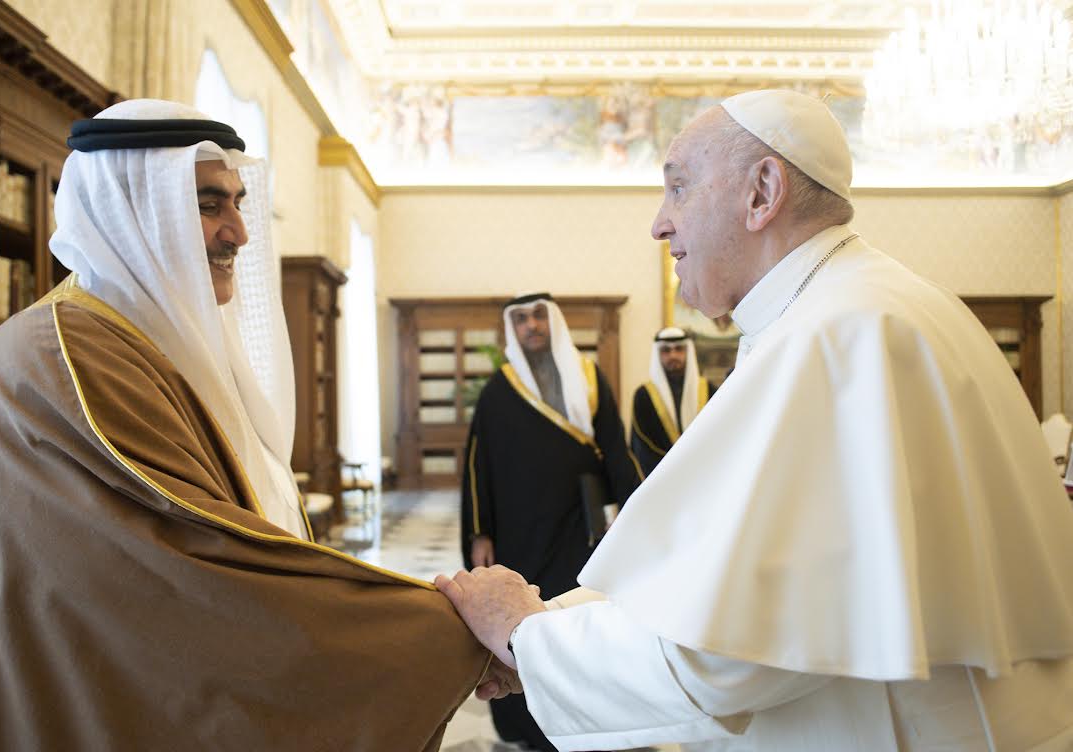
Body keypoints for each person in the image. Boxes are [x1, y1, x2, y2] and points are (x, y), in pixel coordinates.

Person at [437, 89, 1073, 750]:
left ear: (761, 192)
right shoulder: (859, 306)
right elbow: (712, 570)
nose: (659, 225)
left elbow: (729, 651)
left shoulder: (834, 337)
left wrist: (527, 637)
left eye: (678, 188)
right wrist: (548, 627)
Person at [0, 99, 513, 751]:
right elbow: (199, 571)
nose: (239, 233)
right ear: (132, 209)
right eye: (208, 205)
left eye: (239, 203)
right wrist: (453, 631)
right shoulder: (63, 356)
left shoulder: (146, 343)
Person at [461, 292, 641, 750]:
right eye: (521, 319)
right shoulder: (499, 391)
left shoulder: (589, 377)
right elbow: (478, 466)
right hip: (518, 530)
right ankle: (529, 727)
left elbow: (614, 450)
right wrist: (480, 530)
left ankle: (591, 719)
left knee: (580, 616)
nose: (531, 326)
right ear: (512, 328)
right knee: (523, 619)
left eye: (539, 316)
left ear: (553, 321)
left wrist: (634, 512)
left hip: (580, 526)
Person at [629, 327, 708, 475]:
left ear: (688, 352)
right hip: (662, 475)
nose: (673, 355)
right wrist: (674, 469)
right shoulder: (644, 396)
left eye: (679, 349)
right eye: (666, 350)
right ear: (658, 354)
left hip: (703, 471)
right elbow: (643, 446)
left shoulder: (709, 391)